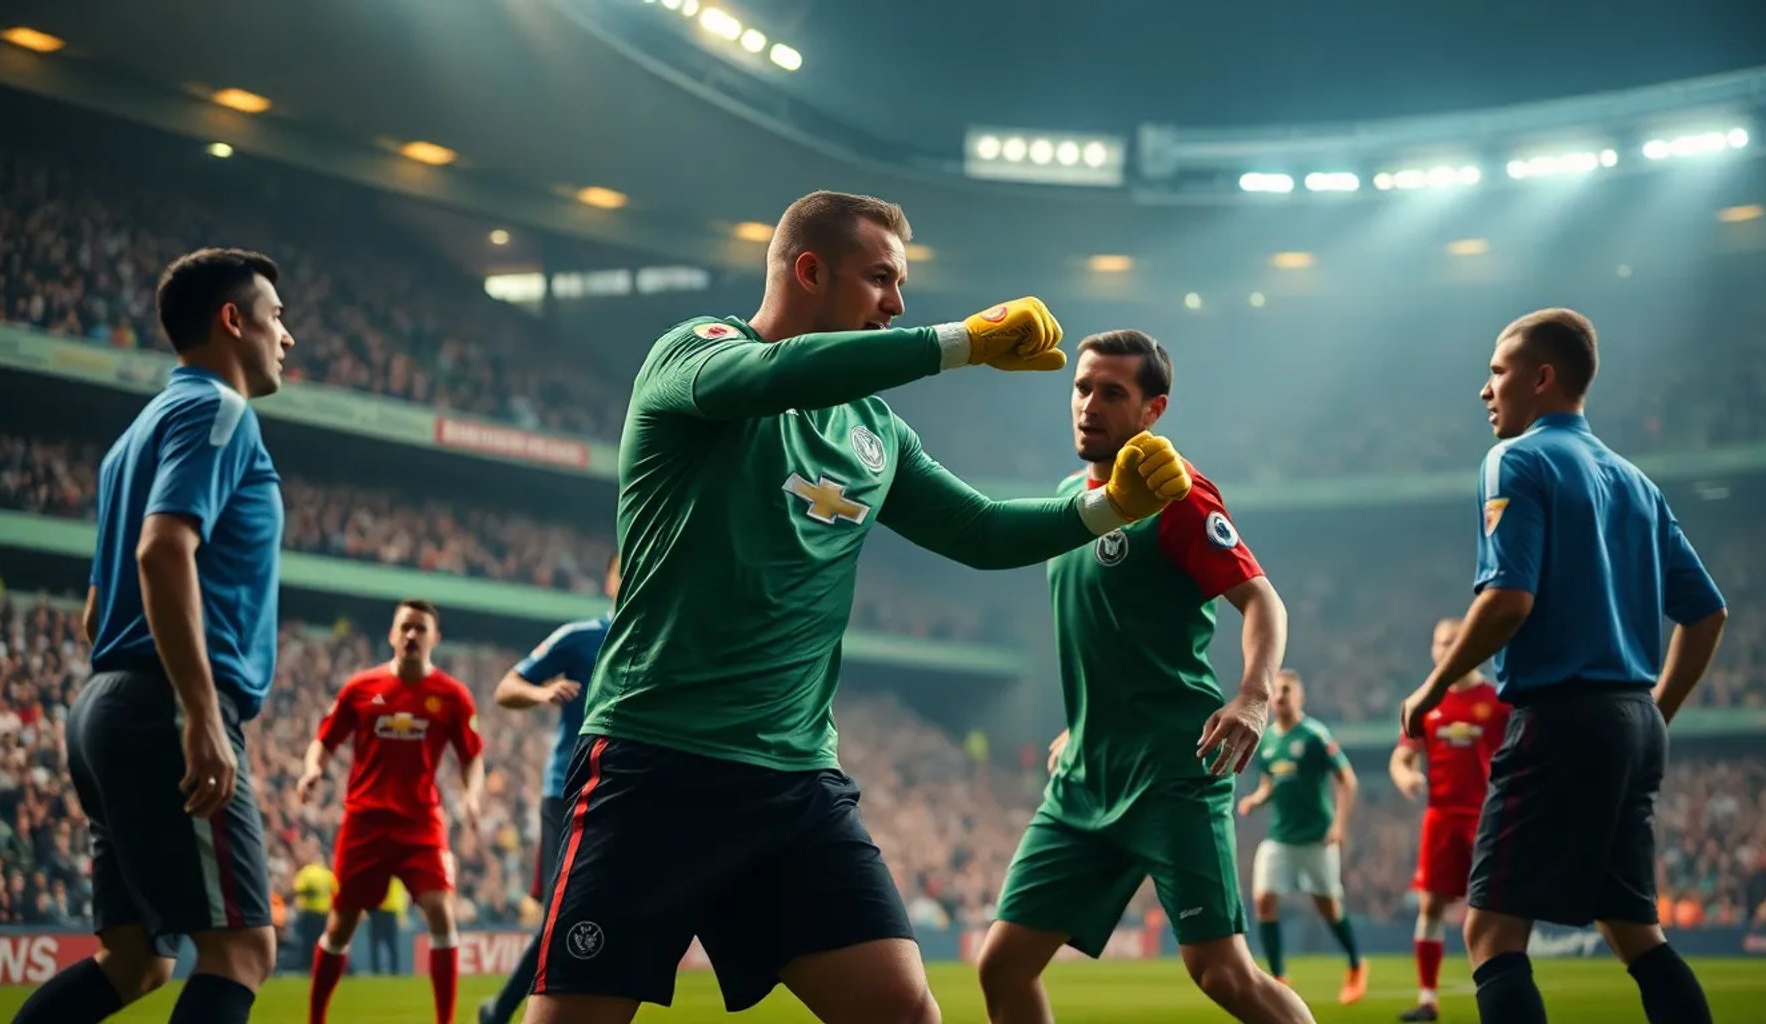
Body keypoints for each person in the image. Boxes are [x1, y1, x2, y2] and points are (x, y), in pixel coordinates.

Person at [525, 190, 1193, 1024]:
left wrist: (1105, 509)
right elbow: (776, 374)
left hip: (794, 784)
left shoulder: (873, 432)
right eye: (881, 279)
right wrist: (963, 343)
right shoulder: (693, 356)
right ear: (809, 270)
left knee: (906, 1012)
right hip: (654, 764)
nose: (899, 304)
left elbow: (981, 532)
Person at [1400, 308, 1728, 1024]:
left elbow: (1508, 601)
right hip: (1633, 720)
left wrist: (1430, 687)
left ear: (1541, 378)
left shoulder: (1516, 459)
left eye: (1497, 372)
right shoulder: (1636, 482)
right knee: (1637, 933)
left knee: (1488, 933)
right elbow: (1707, 614)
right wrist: (1656, 715)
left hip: (1560, 717)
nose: (1485, 390)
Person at [974, 330, 1311, 1024]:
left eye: (1113, 393)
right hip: (1084, 780)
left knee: (1222, 975)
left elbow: (1262, 601)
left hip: (1170, 774)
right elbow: (1106, 628)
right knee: (1003, 966)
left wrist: (1252, 696)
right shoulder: (1071, 500)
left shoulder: (1178, 496)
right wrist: (1086, 724)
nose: (1090, 404)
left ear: (1152, 410)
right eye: (1082, 387)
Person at [13, 248, 292, 1024]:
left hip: (103, 704)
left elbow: (96, 611)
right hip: (160, 704)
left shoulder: (129, 440)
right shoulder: (221, 410)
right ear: (232, 321)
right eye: (275, 316)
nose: (286, 336)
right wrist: (201, 712)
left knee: (136, 962)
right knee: (242, 952)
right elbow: (161, 550)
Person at [298, 599, 486, 1024]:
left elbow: (473, 757)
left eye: (421, 628)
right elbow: (324, 740)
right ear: (392, 634)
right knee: (340, 926)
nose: (412, 635)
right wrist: (312, 770)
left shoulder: (452, 696)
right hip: (365, 822)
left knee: (441, 911)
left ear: (435, 638)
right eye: (405, 628)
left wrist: (472, 794)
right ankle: (315, 1018)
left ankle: (445, 1021)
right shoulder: (360, 688)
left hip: (421, 823)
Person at [478, 553, 622, 1024]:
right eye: (624, 565)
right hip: (569, 790)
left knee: (600, 912)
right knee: (560, 915)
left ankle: (505, 1009)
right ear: (607, 578)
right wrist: (542, 693)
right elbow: (507, 687)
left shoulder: (663, 642)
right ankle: (500, 1010)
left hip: (626, 797)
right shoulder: (579, 638)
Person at [1389, 617, 1510, 1021]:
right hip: (1440, 818)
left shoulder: (1497, 702)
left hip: (1486, 814)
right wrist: (1405, 775)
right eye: (1441, 642)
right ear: (1433, 649)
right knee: (1432, 905)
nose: (1447, 649)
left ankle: (1499, 992)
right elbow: (1401, 757)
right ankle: (1428, 1000)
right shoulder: (1424, 702)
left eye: (1455, 642)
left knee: (1491, 908)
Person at [1239, 670, 1368, 1004]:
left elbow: (1347, 779)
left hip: (1317, 838)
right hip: (1280, 837)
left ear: (1300, 697)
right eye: (1277, 690)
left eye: (1287, 690)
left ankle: (1356, 965)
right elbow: (1271, 782)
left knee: (1328, 906)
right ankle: (1280, 977)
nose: (1280, 695)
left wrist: (1339, 826)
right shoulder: (1267, 739)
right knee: (1264, 900)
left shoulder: (1314, 735)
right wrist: (1257, 798)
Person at [292, 842, 338, 972]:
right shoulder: (328, 874)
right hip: (324, 913)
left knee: (308, 942)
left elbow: (298, 889)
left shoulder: (306, 873)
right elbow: (335, 892)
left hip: (309, 912)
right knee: (323, 942)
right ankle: (324, 966)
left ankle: (309, 966)